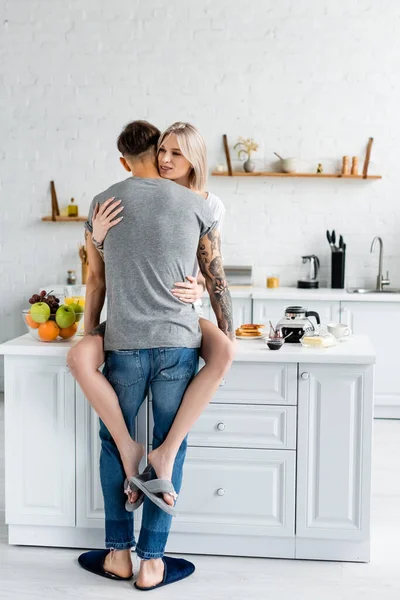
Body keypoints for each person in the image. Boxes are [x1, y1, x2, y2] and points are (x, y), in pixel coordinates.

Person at [73, 120, 234, 590]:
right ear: (152, 152)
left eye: (177, 154)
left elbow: (96, 282)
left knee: (113, 442)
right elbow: (218, 277)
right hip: (178, 343)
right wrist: (227, 332)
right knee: (171, 444)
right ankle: (152, 564)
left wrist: (91, 338)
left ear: (124, 159)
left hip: (123, 343)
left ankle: (118, 556)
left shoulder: (104, 202)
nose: (167, 160)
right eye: (164, 151)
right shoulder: (198, 206)